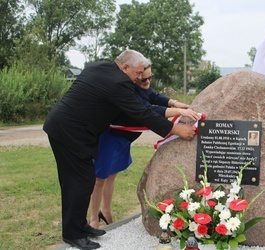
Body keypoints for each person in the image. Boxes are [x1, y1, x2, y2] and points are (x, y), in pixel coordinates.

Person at [43, 49, 197, 250]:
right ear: (125, 67)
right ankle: (73, 234)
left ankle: (80, 225)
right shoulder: (119, 83)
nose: (140, 77)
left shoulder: (98, 67)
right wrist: (177, 129)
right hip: (70, 133)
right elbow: (142, 113)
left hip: (69, 129)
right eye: (139, 72)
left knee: (84, 180)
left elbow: (146, 101)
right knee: (77, 182)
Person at [89, 66, 200, 228]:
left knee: (111, 176)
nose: (147, 81)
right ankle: (93, 219)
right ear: (134, 78)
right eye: (143, 79)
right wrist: (177, 111)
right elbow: (149, 110)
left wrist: (177, 103)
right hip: (110, 138)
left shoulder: (142, 87)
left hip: (122, 141)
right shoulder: (128, 91)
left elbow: (155, 96)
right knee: (99, 179)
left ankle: (106, 211)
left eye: (150, 77)